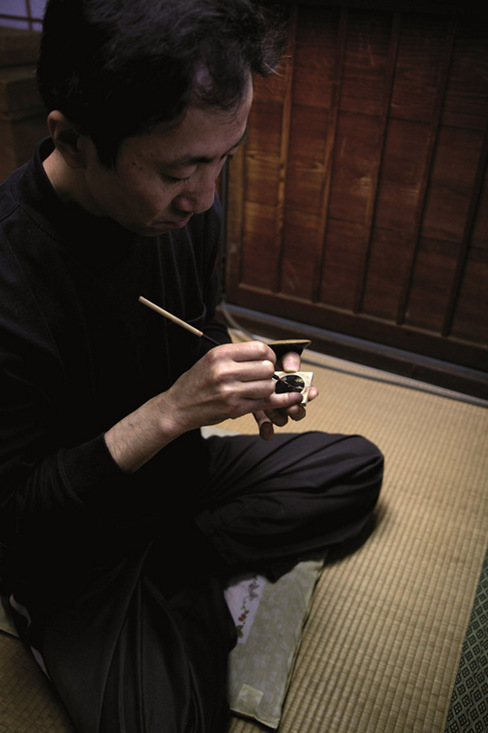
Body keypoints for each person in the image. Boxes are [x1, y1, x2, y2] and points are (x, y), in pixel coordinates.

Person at [0, 1, 384, 730]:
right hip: (69, 535)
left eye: (223, 158)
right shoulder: (12, 271)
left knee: (354, 469)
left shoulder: (184, 208)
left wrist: (241, 374)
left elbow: (198, 324)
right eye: (181, 168)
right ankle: (123, 601)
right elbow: (16, 517)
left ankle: (170, 569)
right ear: (73, 140)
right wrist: (172, 410)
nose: (206, 196)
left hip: (175, 480)